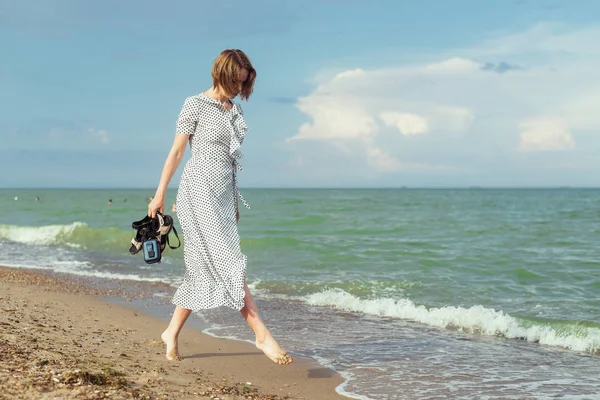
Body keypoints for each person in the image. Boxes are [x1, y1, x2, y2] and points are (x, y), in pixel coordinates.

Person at [147, 49, 292, 365]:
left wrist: (233, 200)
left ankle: (170, 332)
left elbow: (230, 161)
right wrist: (159, 195)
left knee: (202, 269)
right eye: (236, 81)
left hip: (223, 197)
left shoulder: (235, 112)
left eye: (244, 83)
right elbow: (176, 152)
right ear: (222, 74)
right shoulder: (194, 104)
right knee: (228, 263)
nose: (239, 88)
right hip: (196, 192)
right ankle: (262, 335)